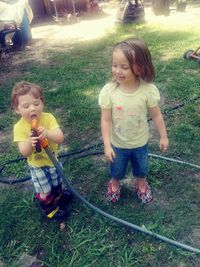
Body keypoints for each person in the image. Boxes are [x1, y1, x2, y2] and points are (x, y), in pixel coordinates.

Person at [99, 38, 169, 204]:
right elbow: (106, 120)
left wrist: (163, 136)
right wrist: (107, 145)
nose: (117, 71)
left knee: (142, 168)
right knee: (116, 169)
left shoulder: (147, 91)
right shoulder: (109, 91)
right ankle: (114, 184)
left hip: (140, 143)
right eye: (115, 65)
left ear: (139, 68)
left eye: (124, 67)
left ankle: (141, 184)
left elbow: (157, 115)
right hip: (118, 144)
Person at [11, 81, 72, 224]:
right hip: (37, 166)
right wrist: (30, 143)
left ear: (42, 103)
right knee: (44, 189)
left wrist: (48, 133)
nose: (32, 109)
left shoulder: (48, 118)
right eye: (26, 106)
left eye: (36, 104)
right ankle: (50, 210)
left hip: (53, 161)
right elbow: (24, 152)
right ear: (17, 109)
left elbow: (60, 138)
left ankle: (59, 196)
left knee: (57, 183)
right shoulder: (19, 127)